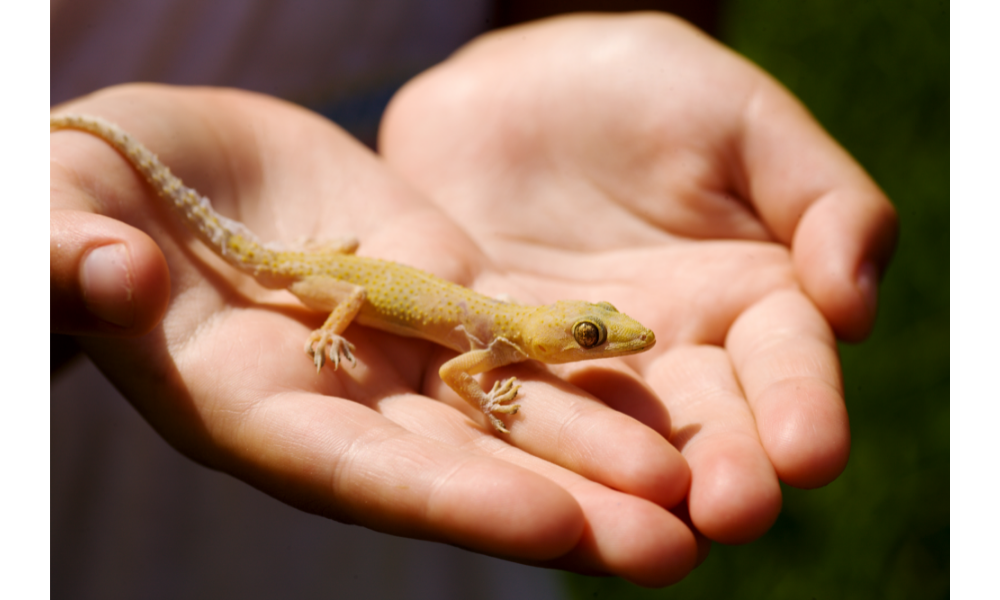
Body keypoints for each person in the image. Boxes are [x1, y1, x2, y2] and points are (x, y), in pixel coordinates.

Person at [50, 8, 897, 590]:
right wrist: (479, 398)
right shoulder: (496, 345)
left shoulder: (517, 334)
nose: (614, 342)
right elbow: (458, 377)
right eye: (598, 336)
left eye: (596, 335)